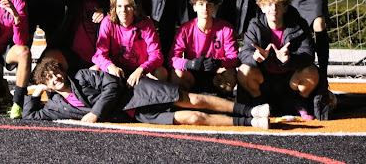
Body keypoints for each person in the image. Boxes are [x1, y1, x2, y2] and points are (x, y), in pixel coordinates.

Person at [23, 58, 270, 129]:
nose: (56, 78)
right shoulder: (55, 104)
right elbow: (29, 116)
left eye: (56, 73)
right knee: (192, 118)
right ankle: (249, 123)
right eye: (49, 79)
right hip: (132, 114)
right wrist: (35, 93)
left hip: (136, 92)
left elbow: (111, 84)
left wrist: (96, 114)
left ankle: (249, 111)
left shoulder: (81, 75)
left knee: (191, 99)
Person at [237, 0, 320, 120]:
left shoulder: (298, 25)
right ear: (262, 8)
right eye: (269, 5)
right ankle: (258, 102)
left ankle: (301, 102)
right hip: (264, 78)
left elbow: (308, 54)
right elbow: (244, 53)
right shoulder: (255, 25)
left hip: (290, 78)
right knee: (244, 70)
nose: (273, 8)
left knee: (311, 71)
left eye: (278, 5)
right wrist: (256, 58)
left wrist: (289, 59)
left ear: (285, 8)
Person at [169, 0, 239, 96]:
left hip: (217, 72)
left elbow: (234, 58)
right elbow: (172, 59)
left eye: (209, 5)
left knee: (230, 73)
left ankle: (224, 100)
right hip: (193, 73)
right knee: (177, 73)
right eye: (201, 4)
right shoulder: (185, 29)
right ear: (194, 7)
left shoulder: (226, 28)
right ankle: (186, 101)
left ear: (215, 7)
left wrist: (219, 62)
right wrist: (189, 64)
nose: (205, 8)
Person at [92, 0, 168, 87]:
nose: (123, 10)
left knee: (161, 72)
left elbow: (156, 55)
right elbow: (99, 54)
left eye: (127, 6)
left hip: (141, 70)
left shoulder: (146, 24)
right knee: (94, 70)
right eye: (119, 6)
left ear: (134, 8)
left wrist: (142, 69)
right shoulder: (108, 22)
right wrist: (110, 67)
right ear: (114, 8)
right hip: (117, 69)